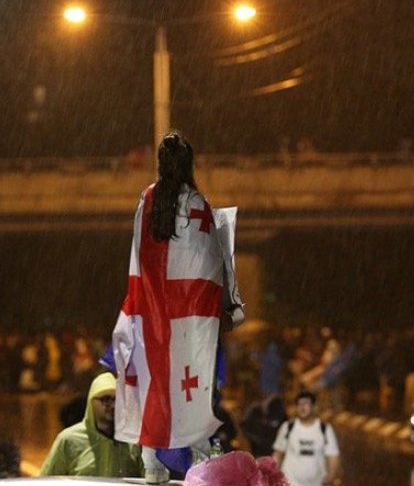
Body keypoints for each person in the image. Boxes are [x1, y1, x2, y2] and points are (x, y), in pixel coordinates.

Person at [110, 132, 244, 484]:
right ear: (189, 164)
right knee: (194, 381)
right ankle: (200, 455)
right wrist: (224, 304)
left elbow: (138, 260)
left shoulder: (147, 200)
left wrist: (142, 305)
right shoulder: (198, 204)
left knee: (156, 380)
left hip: (153, 312)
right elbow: (214, 263)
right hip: (192, 318)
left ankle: (151, 461)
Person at [40, 371, 144, 477]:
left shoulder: (133, 442)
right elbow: (46, 480)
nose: (112, 405)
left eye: (116, 400)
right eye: (105, 399)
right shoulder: (69, 440)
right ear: (91, 401)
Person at [272, 390, 340, 486]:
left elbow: (333, 456)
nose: (302, 407)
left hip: (317, 482)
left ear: (314, 407)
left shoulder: (324, 429)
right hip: (290, 482)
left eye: (306, 403)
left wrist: (331, 475)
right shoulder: (288, 427)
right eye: (299, 404)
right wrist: (273, 474)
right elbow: (278, 453)